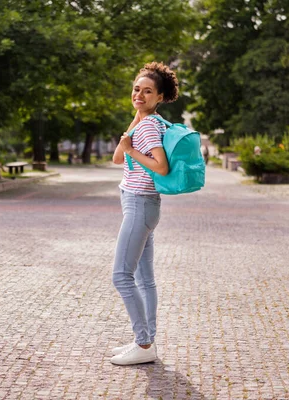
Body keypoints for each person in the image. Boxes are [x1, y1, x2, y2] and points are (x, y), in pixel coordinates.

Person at [110, 62, 179, 366]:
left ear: (159, 97)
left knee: (122, 276)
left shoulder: (150, 125)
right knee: (144, 278)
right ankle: (146, 340)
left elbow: (161, 166)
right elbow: (117, 158)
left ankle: (144, 342)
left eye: (147, 91)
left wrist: (133, 147)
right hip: (143, 205)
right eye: (137, 88)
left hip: (139, 204)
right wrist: (129, 135)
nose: (139, 94)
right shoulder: (145, 121)